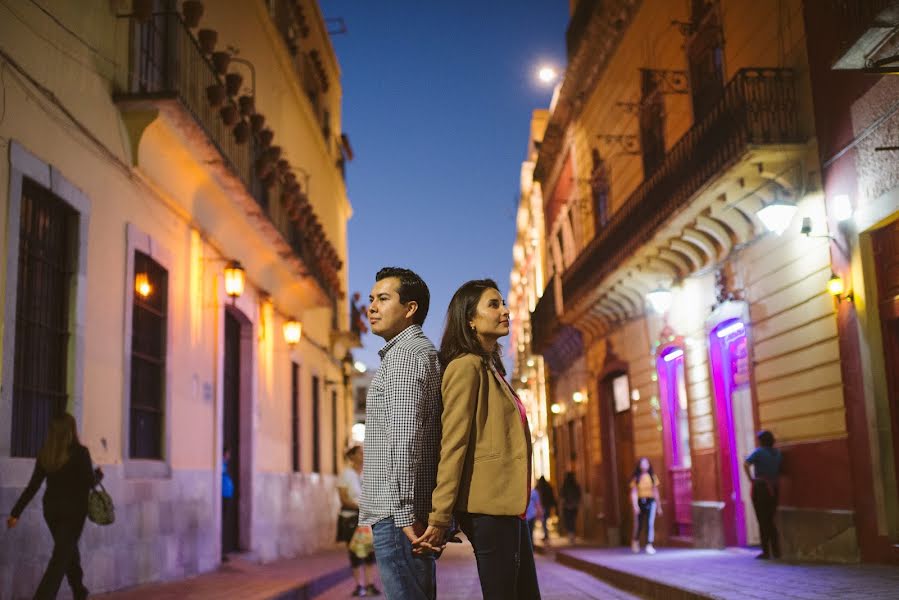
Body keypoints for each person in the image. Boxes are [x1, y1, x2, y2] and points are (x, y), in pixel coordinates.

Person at [415, 279, 541, 600]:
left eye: (503, 303)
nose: (504, 311)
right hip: (488, 507)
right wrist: (440, 515)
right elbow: (453, 444)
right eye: (493, 304)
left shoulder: (489, 367)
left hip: (508, 506)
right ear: (470, 319)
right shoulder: (465, 367)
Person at [359, 267, 442, 600]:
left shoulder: (405, 357)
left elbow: (405, 439)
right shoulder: (414, 352)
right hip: (405, 513)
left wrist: (405, 513)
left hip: (397, 517)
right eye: (370, 300)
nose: (372, 308)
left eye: (383, 298)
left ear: (410, 308)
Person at [6, 413, 101, 600]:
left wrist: (15, 513)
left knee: (67, 551)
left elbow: (33, 486)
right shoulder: (81, 453)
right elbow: (89, 482)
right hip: (74, 513)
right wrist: (99, 475)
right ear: (71, 430)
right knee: (60, 558)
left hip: (51, 512)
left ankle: (79, 591)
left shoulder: (45, 453)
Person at [338, 445, 380, 597]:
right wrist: (359, 505)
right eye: (360, 453)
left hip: (368, 517)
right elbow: (343, 499)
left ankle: (370, 584)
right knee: (354, 551)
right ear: (352, 456)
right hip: (351, 518)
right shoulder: (346, 474)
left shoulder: (369, 473)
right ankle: (359, 585)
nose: (364, 455)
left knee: (370, 551)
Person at [744, 430, 783, 560]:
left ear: (761, 441)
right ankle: (776, 550)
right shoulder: (777, 453)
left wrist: (750, 479)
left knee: (762, 520)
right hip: (774, 488)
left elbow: (746, 464)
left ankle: (766, 551)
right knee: (770, 519)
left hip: (761, 488)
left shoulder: (759, 452)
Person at [630, 457, 662, 554]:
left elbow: (655, 491)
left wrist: (659, 506)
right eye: (642, 463)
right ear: (639, 466)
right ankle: (635, 541)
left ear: (649, 465)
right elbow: (634, 492)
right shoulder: (636, 478)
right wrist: (635, 506)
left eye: (646, 463)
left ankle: (649, 544)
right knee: (639, 524)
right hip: (640, 501)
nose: (644, 465)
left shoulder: (652, 477)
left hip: (651, 501)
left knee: (650, 523)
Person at [222, 445, 235, 562]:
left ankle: (223, 551)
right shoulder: (221, 465)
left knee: (225, 523)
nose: (229, 456)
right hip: (223, 496)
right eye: (228, 453)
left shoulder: (225, 465)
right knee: (222, 523)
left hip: (227, 496)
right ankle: (222, 552)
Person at [560, 472, 582, 545]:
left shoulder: (565, 485)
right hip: (574, 506)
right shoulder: (575, 485)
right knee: (572, 520)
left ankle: (570, 535)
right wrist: (576, 503)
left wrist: (564, 503)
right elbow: (579, 495)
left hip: (567, 506)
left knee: (568, 521)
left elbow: (562, 495)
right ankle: (572, 535)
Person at [536, 476, 556, 544]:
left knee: (544, 520)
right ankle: (546, 534)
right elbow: (552, 496)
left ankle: (546, 534)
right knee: (545, 519)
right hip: (547, 505)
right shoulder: (548, 486)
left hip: (542, 506)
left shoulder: (539, 487)